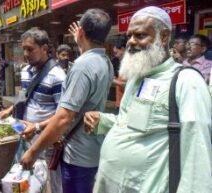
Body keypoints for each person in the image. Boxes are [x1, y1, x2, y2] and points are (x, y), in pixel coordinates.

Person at [84, 6, 212, 193]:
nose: (131, 42)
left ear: (164, 36)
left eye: (140, 35)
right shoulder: (137, 77)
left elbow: (197, 157)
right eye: (129, 36)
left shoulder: (186, 81)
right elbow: (130, 123)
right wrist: (103, 121)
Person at [20, 9, 113, 193]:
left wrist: (33, 151)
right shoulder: (105, 61)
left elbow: (64, 117)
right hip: (93, 150)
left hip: (77, 156)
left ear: (81, 32)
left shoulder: (81, 66)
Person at [0, 27, 66, 193]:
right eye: (24, 50)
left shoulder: (58, 76)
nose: (26, 54)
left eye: (30, 49)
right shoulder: (26, 72)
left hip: (47, 143)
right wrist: (10, 109)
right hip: (26, 138)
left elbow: (62, 115)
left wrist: (36, 127)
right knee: (27, 183)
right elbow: (26, 98)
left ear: (44, 49)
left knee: (52, 185)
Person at [112, 36, 127, 114]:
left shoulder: (131, 65)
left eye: (116, 52)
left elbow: (129, 85)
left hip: (126, 106)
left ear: (123, 49)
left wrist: (112, 80)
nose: (115, 56)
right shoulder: (117, 62)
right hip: (118, 104)